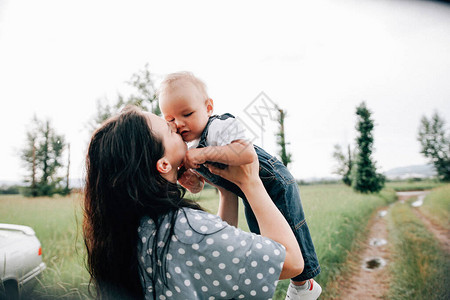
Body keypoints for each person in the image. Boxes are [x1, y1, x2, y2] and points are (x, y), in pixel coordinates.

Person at [83, 106, 304, 300]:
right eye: (170, 130)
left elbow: (214, 256)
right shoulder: (185, 229)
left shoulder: (131, 229)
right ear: (163, 164)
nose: (179, 128)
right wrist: (251, 182)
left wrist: (226, 191)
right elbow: (292, 262)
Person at [158, 72, 322, 300]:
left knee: (292, 231)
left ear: (208, 107)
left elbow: (245, 153)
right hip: (247, 192)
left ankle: (304, 285)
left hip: (275, 184)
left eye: (187, 113)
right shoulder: (188, 147)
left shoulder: (219, 127)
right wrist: (193, 182)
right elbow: (202, 186)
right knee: (267, 244)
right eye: (170, 120)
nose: (180, 124)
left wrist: (203, 153)